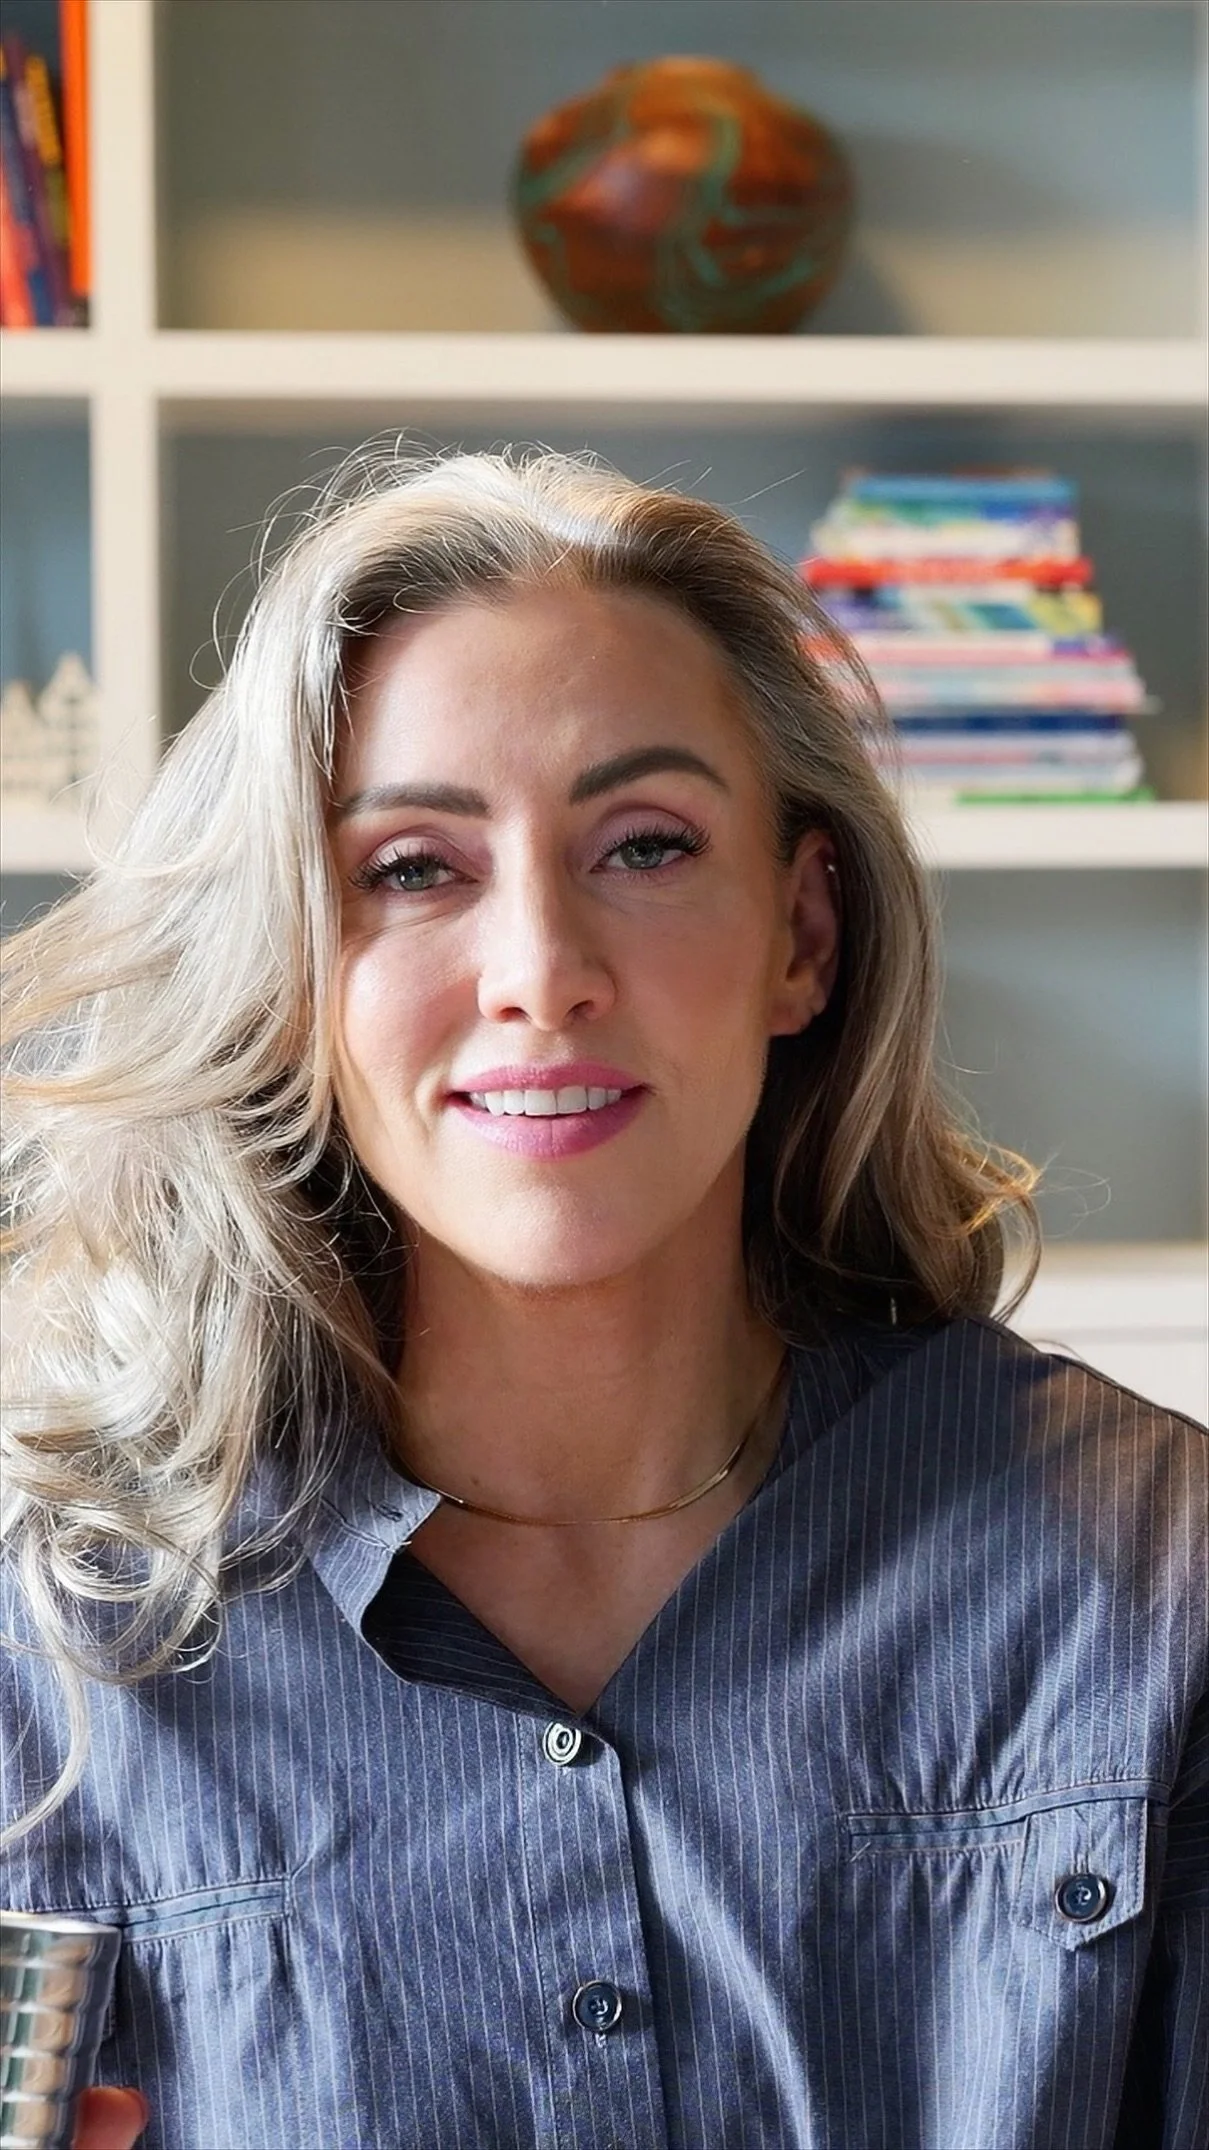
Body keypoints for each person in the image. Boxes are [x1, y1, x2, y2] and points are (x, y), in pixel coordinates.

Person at [2, 445, 1205, 2150]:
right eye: (413, 867)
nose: (541, 971)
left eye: (643, 844)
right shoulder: (48, 1644)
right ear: (291, 963)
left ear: (803, 933)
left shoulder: (1155, 1573)